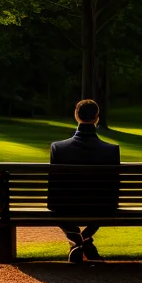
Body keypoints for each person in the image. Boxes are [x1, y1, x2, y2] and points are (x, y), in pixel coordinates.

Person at [49, 98, 120, 263]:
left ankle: (76, 240)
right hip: (102, 208)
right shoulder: (111, 151)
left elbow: (54, 191)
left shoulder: (58, 148)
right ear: (97, 118)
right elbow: (113, 190)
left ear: (76, 116)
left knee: (57, 206)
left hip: (65, 208)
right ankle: (85, 239)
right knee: (105, 203)